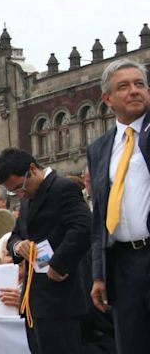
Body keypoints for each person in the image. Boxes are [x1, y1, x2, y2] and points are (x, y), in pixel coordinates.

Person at [0, 147, 91, 354]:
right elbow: (15, 235)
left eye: (21, 187)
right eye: (14, 191)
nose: (20, 193)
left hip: (60, 295)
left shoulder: (62, 188)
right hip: (34, 298)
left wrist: (59, 263)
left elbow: (82, 227)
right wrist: (17, 246)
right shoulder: (27, 199)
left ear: (33, 169)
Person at [87, 59, 150, 353]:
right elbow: (99, 214)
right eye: (123, 86)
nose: (134, 91)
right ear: (107, 98)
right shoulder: (100, 149)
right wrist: (99, 274)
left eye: (140, 84)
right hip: (122, 263)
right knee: (131, 344)